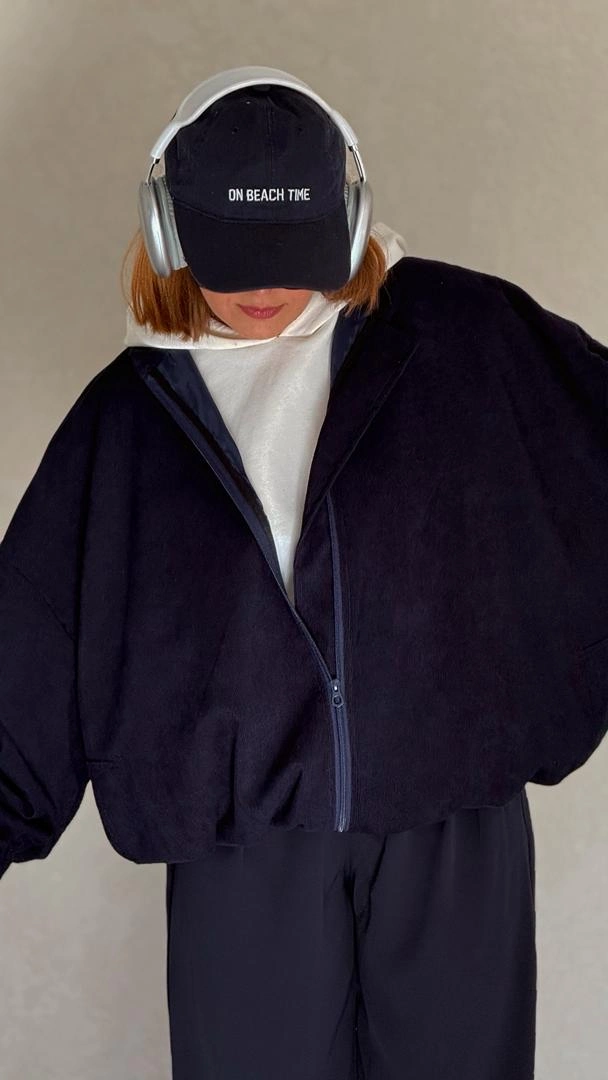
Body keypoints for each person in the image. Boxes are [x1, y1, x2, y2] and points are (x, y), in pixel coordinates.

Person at [1, 70, 606, 1080]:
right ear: (168, 231)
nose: (265, 284)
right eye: (235, 253)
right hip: (241, 850)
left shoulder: (464, 334)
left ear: (350, 218)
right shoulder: (129, 420)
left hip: (454, 825)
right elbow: (33, 647)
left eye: (295, 248)